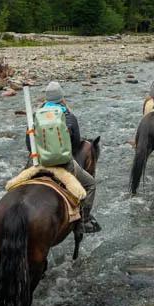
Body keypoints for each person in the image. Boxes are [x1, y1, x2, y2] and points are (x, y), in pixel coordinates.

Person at [28, 81, 100, 233]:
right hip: (64, 165)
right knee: (91, 184)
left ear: (46, 98)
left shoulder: (35, 116)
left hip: (37, 164)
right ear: (61, 98)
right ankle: (84, 221)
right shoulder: (69, 116)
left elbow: (29, 144)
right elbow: (75, 145)